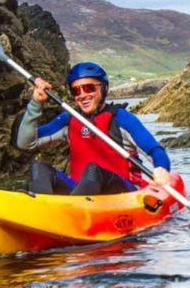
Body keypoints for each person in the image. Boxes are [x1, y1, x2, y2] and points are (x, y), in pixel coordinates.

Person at [15, 61, 171, 195]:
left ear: (103, 88)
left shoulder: (122, 118)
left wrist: (161, 168)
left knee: (93, 171)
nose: (82, 95)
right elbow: (26, 143)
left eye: (89, 88)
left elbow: (154, 150)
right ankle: (43, 208)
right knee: (39, 167)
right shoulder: (69, 119)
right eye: (76, 90)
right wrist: (36, 103)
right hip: (80, 191)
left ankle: (74, 211)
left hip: (123, 192)